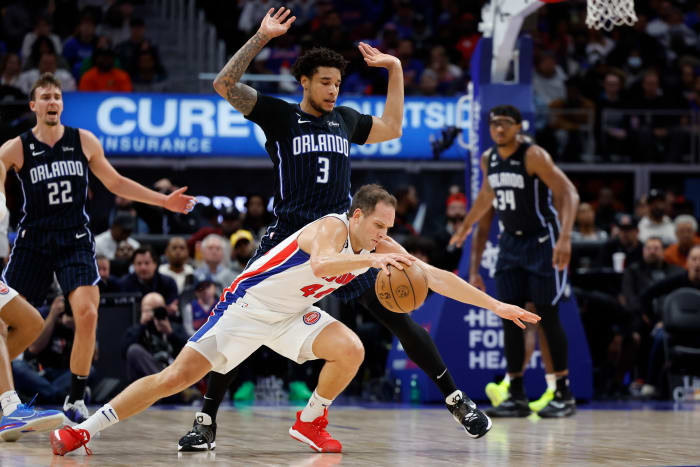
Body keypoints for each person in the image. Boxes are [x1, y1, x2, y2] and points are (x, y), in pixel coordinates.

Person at [178, 7, 480, 452]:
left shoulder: (347, 120)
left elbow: (394, 127)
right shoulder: (279, 115)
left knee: (399, 312)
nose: (333, 90)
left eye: (338, 83)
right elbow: (223, 84)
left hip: (343, 238)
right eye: (325, 82)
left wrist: (394, 69)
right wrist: (262, 36)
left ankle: (456, 400)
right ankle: (206, 420)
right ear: (305, 81)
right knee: (245, 328)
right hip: (288, 240)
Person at [50, 184, 539, 455]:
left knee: (351, 348)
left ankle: (310, 421)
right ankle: (85, 429)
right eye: (379, 227)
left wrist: (497, 306)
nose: (385, 237)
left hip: (291, 315)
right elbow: (325, 266)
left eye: (388, 230)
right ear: (357, 215)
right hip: (245, 309)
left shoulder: (378, 243)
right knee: (173, 377)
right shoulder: (329, 228)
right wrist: (370, 262)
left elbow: (433, 277)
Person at [0, 72, 195, 424]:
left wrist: (163, 201)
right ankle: (6, 393)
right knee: (7, 321)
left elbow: (116, 181)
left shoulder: (83, 141)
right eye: (45, 97)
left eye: (57, 97)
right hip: (33, 241)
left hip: (74, 237)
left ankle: (76, 396)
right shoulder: (16, 148)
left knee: (88, 313)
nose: (53, 103)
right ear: (33, 106)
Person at [451, 104, 580, 418]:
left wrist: (564, 237)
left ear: (518, 127)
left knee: (547, 315)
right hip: (510, 243)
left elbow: (569, 193)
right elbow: (485, 197)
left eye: (506, 124)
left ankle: (563, 393)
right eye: (495, 124)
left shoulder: (533, 155)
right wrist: (465, 228)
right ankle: (516, 394)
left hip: (541, 241)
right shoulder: (489, 159)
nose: (499, 129)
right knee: (510, 316)